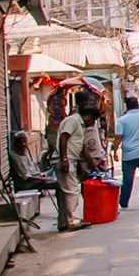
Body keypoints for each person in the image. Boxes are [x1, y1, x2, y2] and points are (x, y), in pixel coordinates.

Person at [54, 90, 99, 232]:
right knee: (73, 190)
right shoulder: (73, 121)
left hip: (70, 159)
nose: (92, 123)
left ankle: (63, 222)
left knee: (64, 192)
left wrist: (92, 164)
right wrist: (64, 159)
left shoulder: (80, 125)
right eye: (92, 120)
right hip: (67, 160)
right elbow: (64, 137)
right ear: (88, 116)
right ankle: (73, 221)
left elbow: (82, 147)